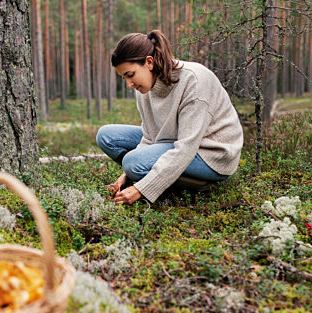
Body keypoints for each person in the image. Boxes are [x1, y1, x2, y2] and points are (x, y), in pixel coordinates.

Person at [96, 30, 243, 205]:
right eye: (124, 78)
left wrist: (141, 189)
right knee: (106, 136)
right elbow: (149, 137)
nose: (129, 84)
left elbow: (186, 148)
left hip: (211, 154)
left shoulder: (193, 81)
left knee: (133, 162)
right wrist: (125, 177)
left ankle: (198, 185)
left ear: (149, 62)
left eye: (130, 75)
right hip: (175, 141)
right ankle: (159, 177)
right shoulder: (144, 88)